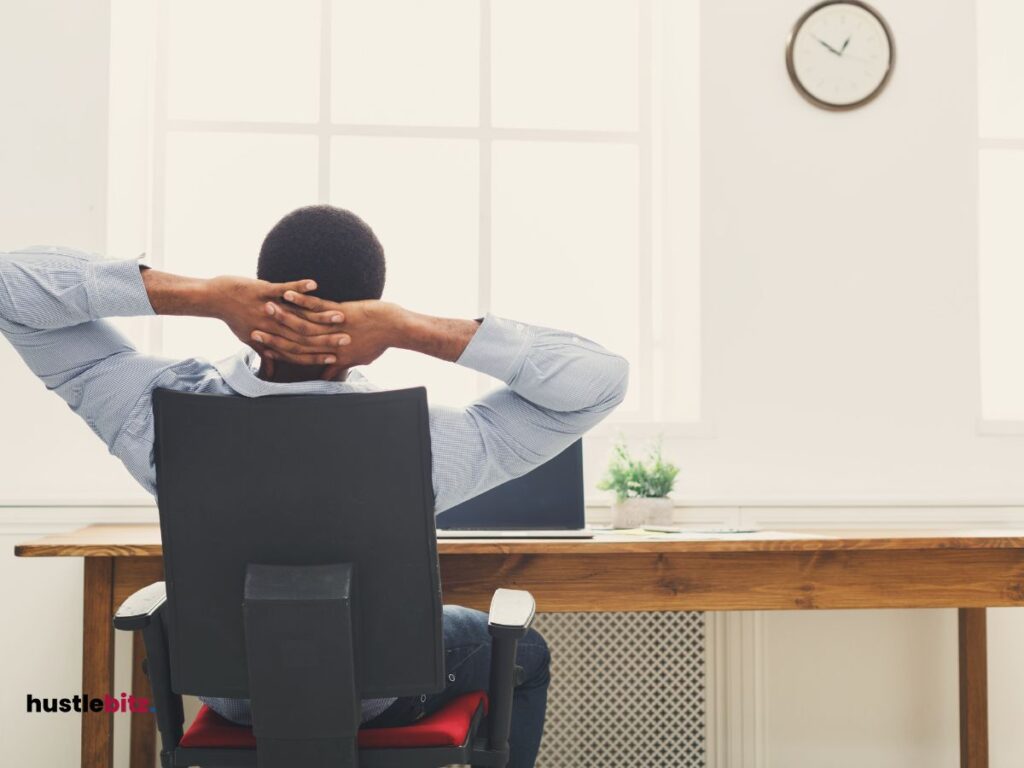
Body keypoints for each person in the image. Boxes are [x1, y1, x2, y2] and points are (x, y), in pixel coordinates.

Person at [0, 205, 628, 767]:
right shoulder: (432, 446)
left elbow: (10, 287)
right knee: (526, 654)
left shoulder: (152, 412)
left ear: (256, 300)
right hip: (379, 698)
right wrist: (410, 328)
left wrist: (207, 295)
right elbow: (599, 382)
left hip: (228, 689)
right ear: (365, 324)